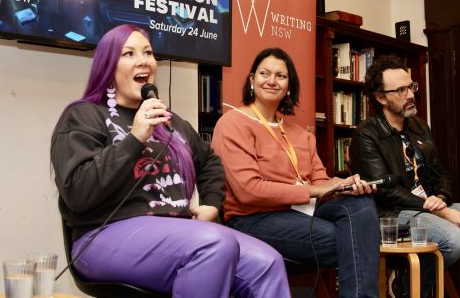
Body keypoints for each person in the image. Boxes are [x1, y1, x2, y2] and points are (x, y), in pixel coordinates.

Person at [50, 25, 291, 297]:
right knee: (213, 243)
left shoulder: (170, 121)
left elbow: (210, 161)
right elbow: (78, 193)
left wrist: (211, 203)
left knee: (267, 262)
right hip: (102, 235)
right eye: (128, 54)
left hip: (180, 231)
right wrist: (135, 137)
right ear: (108, 66)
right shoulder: (84, 115)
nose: (143, 60)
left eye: (148, 53)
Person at [212, 47, 381, 298]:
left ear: (289, 85)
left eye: (280, 76)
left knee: (362, 204)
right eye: (264, 73)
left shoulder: (301, 133)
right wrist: (314, 189)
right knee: (355, 240)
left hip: (306, 212)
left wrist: (344, 186)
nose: (271, 81)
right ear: (251, 80)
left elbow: (321, 182)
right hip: (254, 218)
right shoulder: (232, 123)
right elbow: (248, 190)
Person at [349, 54, 460, 297]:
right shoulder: (366, 135)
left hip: (429, 205)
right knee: (455, 240)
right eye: (401, 90)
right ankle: (409, 288)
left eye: (411, 87)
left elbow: (440, 173)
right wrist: (434, 207)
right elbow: (386, 191)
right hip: (393, 213)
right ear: (381, 98)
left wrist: (442, 197)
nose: (411, 95)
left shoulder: (418, 126)